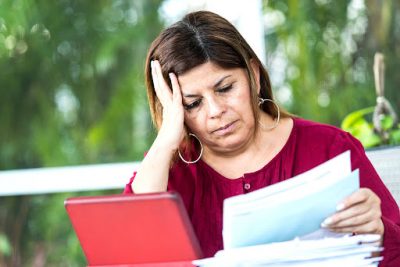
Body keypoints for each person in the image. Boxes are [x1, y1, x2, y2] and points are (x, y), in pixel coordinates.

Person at [124, 10, 400, 266]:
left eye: (225, 88)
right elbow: (129, 253)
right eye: (193, 104)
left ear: (253, 75)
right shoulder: (170, 172)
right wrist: (166, 139)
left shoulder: (331, 148)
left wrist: (377, 231)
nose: (216, 111)